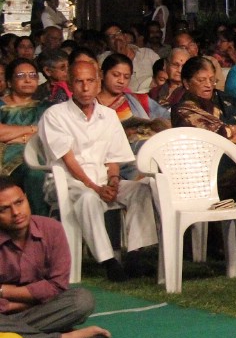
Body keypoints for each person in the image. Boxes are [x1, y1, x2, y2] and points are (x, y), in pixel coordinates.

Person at [37, 60, 158, 282]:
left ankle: (134, 256)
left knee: (141, 189)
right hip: (67, 183)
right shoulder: (55, 115)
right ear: (70, 85)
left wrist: (113, 181)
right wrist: (94, 187)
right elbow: (68, 160)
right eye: (79, 82)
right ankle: (108, 261)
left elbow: (113, 158)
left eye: (90, 81)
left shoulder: (108, 116)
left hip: (103, 181)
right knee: (88, 198)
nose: (85, 87)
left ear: (98, 82)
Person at [0, 178, 110, 338]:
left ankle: (19, 335)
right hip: (13, 314)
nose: (16, 212)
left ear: (27, 199)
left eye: (19, 202)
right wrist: (34, 298)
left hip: (42, 309)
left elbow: (57, 287)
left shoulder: (52, 229)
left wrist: (4, 290)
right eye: (4, 209)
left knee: (82, 300)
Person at [0, 61, 49, 215]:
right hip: (5, 158)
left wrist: (13, 136)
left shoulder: (46, 107)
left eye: (33, 75)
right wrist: (32, 129)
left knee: (36, 172)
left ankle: (40, 224)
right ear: (9, 81)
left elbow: (47, 135)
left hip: (37, 154)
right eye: (21, 76)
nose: (28, 80)